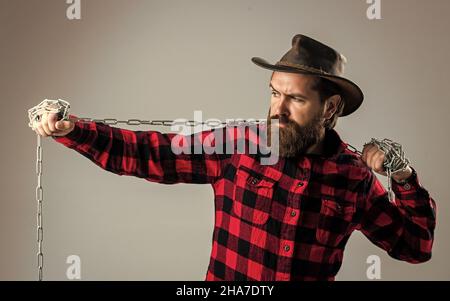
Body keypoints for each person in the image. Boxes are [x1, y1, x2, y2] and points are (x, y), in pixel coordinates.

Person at [31, 34, 436, 281]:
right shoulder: (239, 145)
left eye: (295, 98)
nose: (278, 109)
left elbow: (416, 246)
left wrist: (401, 175)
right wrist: (74, 130)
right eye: (275, 93)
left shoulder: (353, 178)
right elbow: (146, 154)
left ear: (329, 108)